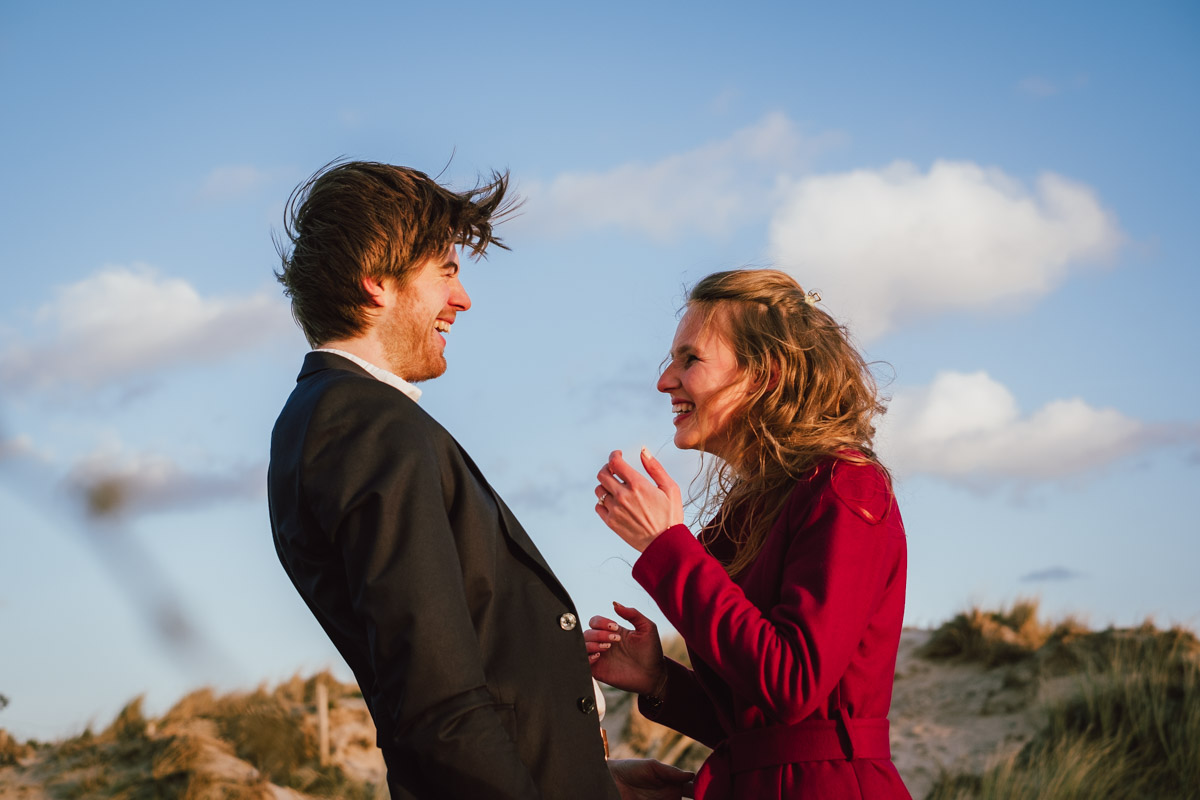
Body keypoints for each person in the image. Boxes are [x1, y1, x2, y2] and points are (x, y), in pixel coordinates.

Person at [267, 160, 692, 800]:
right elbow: (439, 703)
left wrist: (587, 782)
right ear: (377, 282)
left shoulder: (332, 420)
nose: (462, 299)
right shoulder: (369, 428)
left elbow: (476, 679)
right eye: (446, 273)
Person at [585, 269, 912, 799]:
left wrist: (666, 546)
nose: (665, 380)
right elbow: (760, 732)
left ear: (766, 375)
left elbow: (794, 686)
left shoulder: (847, 486)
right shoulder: (743, 516)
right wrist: (660, 680)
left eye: (690, 359)